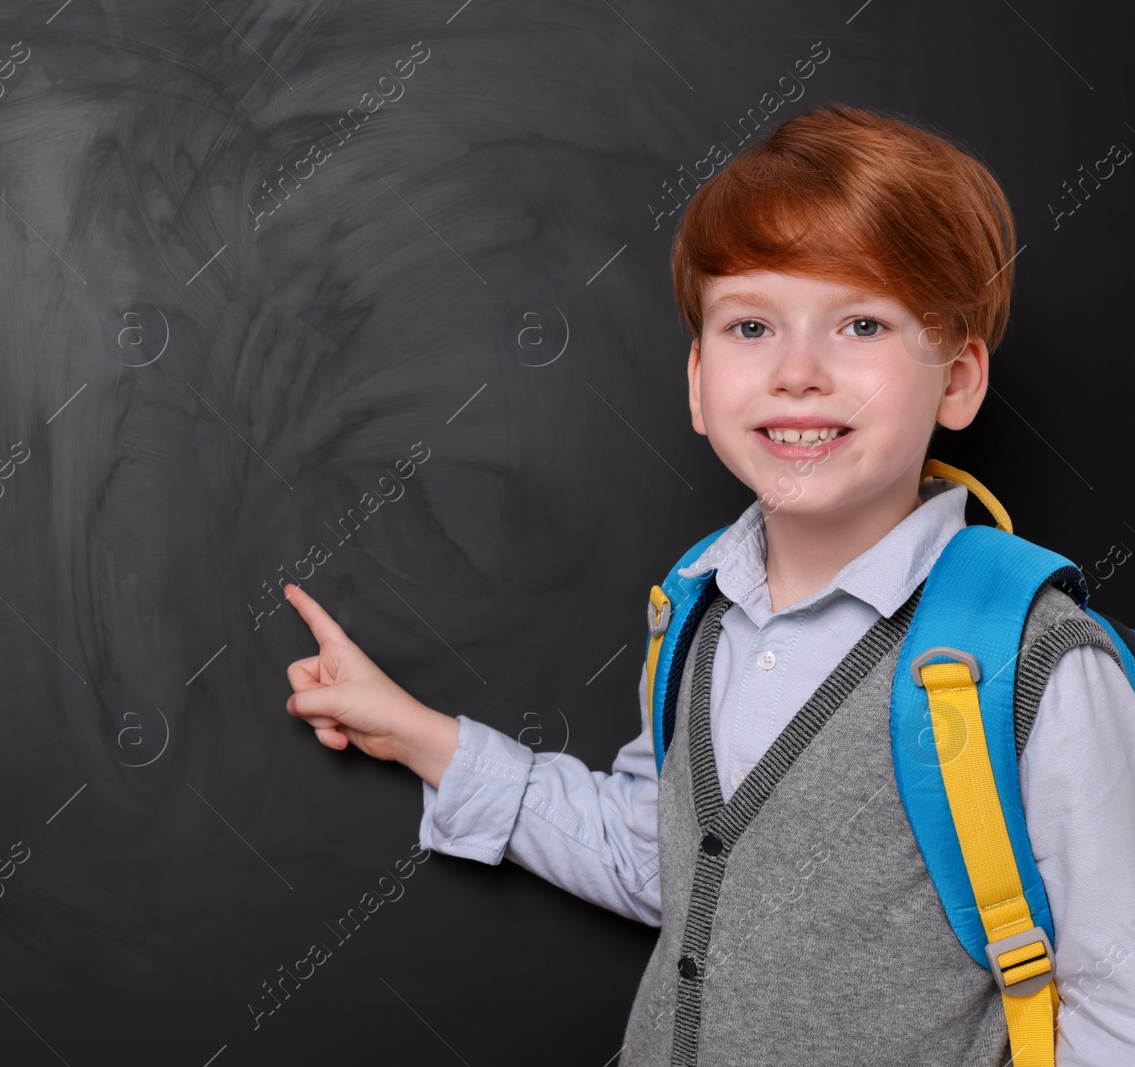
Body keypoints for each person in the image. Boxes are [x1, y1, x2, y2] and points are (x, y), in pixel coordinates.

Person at [279, 103, 1135, 1065]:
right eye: (752, 325)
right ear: (696, 381)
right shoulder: (693, 610)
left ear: (959, 378)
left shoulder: (1035, 663)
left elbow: (1117, 1000)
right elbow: (669, 861)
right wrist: (413, 732)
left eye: (861, 322)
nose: (798, 372)